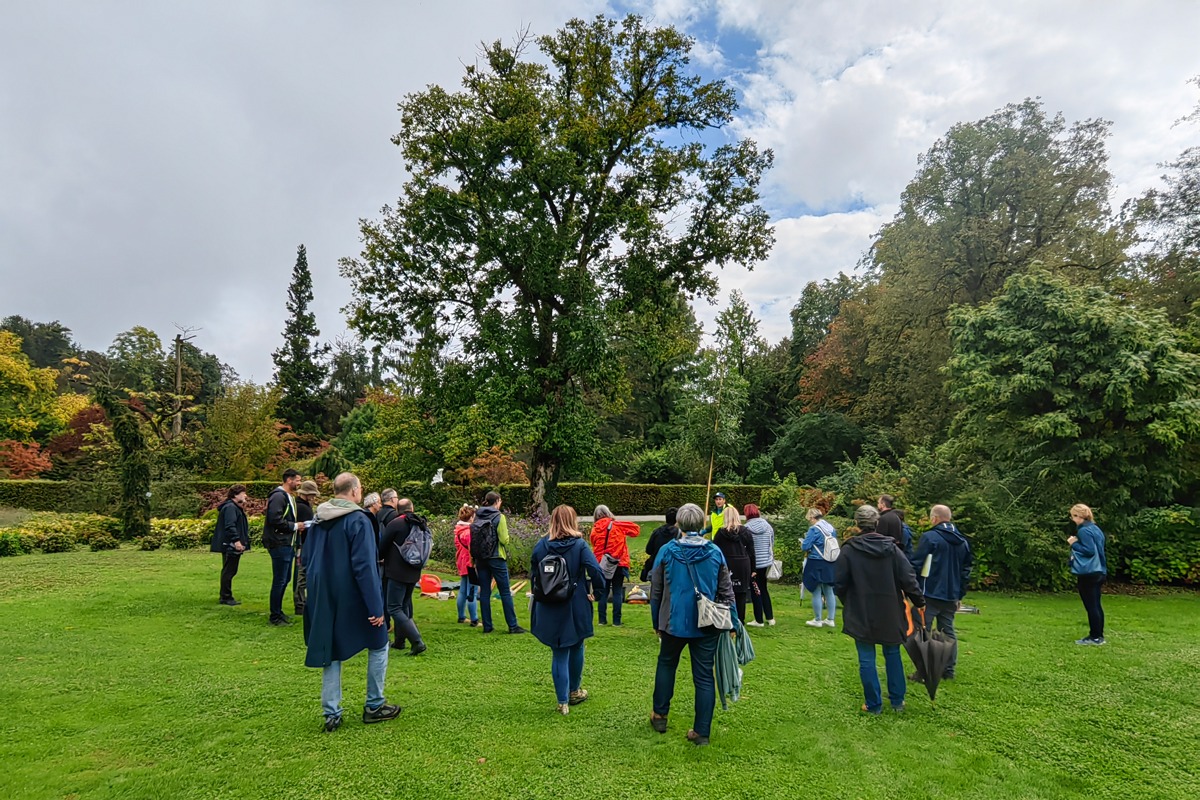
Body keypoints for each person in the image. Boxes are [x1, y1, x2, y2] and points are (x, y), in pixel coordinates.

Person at [301, 472, 401, 732]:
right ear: (355, 491)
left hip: (324, 592)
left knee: (331, 649)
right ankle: (375, 704)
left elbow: (306, 558)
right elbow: (365, 566)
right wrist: (375, 606)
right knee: (379, 644)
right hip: (353, 593)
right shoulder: (358, 519)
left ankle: (331, 712)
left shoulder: (318, 518)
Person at [649, 503, 736, 747]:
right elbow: (726, 591)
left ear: (679, 524)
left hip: (673, 621)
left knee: (666, 665)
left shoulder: (667, 551)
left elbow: (655, 591)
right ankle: (702, 732)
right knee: (704, 676)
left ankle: (660, 715)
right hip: (707, 623)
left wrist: (656, 620)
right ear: (700, 523)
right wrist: (732, 623)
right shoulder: (715, 552)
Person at [834, 504, 925, 715]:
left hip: (862, 609)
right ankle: (897, 701)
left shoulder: (851, 550)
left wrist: (849, 601)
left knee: (867, 658)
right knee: (892, 653)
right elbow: (909, 579)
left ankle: (874, 704)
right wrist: (919, 601)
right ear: (877, 523)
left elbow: (839, 583)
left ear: (856, 524)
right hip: (888, 609)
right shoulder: (891, 549)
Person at [530, 505, 606, 715]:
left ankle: (562, 701)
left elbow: (534, 575)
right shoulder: (580, 545)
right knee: (577, 644)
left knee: (559, 651)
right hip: (575, 601)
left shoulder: (541, 545)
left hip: (549, 603)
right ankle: (574, 691)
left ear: (553, 520)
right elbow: (596, 571)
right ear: (573, 521)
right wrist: (598, 593)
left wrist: (538, 596)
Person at [909, 505, 972, 679]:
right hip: (951, 594)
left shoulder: (930, 538)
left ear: (934, 518)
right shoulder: (963, 542)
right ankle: (948, 670)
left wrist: (912, 589)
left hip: (929, 593)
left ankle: (925, 671)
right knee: (948, 630)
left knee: (923, 631)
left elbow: (916, 564)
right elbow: (966, 571)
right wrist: (960, 595)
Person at [379, 498, 427, 655]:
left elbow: (383, 545)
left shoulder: (396, 524)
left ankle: (417, 640)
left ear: (397, 509)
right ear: (412, 508)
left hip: (397, 571)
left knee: (393, 607)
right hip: (414, 570)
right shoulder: (420, 522)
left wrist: (380, 557)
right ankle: (400, 641)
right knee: (404, 605)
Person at [474, 491, 526, 634]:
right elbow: (504, 540)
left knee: (485, 592)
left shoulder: (477, 515)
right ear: (497, 501)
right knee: (504, 592)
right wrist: (507, 539)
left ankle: (487, 626)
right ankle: (512, 625)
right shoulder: (499, 516)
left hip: (481, 558)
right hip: (496, 556)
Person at [264, 468, 305, 626]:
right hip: (279, 543)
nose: (299, 483)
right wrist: (294, 526)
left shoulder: (288, 497)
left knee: (285, 578)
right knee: (280, 580)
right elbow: (275, 518)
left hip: (286, 543)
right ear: (289, 480)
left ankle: (278, 612)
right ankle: (275, 616)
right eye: (298, 480)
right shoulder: (278, 496)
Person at [589, 505, 640, 626]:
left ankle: (602, 620)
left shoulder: (595, 529)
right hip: (619, 562)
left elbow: (594, 543)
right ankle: (617, 621)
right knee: (617, 591)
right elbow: (636, 530)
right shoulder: (617, 525)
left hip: (602, 563)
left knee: (604, 591)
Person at [1069, 504, 1107, 646]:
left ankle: (1095, 636)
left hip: (1089, 572)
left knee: (1091, 605)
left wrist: (1074, 543)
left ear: (1079, 516)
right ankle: (1099, 635)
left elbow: (1089, 550)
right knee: (1096, 604)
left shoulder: (1084, 531)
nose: (1072, 519)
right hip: (1100, 570)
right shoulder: (1096, 529)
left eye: (1073, 516)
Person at [713, 506, 754, 624]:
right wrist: (753, 568)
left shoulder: (720, 533)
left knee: (726, 591)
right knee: (741, 592)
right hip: (743, 563)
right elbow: (751, 551)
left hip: (727, 563)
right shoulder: (745, 532)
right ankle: (740, 619)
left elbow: (715, 551)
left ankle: (726, 617)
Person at [211, 484, 250, 606]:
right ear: (235, 495)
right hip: (230, 544)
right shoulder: (230, 508)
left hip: (229, 543)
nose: (245, 496)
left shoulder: (232, 507)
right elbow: (230, 526)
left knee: (230, 569)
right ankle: (225, 596)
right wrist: (236, 541)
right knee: (229, 570)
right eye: (243, 493)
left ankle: (226, 595)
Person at [801, 508, 838, 628]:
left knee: (816, 590)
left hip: (816, 561)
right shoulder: (830, 528)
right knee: (829, 590)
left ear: (812, 517)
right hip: (830, 560)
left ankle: (817, 619)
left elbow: (806, 546)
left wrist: (803, 543)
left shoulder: (814, 529)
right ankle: (830, 619)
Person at [743, 504, 776, 627]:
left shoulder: (746, 528)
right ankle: (770, 617)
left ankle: (758, 620)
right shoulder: (767, 526)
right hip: (766, 562)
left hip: (753, 563)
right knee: (764, 588)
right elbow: (771, 542)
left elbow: (745, 547)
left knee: (755, 590)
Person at [293, 480, 318, 616]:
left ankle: (301, 602)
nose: (313, 498)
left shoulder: (300, 505)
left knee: (302, 573)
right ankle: (300, 604)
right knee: (302, 574)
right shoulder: (303, 508)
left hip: (304, 543)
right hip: (304, 544)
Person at [454, 505, 480, 626]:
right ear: (470, 518)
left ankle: (461, 617)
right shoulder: (468, 532)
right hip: (469, 563)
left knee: (463, 590)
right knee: (472, 592)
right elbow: (473, 549)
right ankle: (474, 619)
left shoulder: (458, 529)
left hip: (461, 562)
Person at [640, 508, 680, 582]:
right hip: (673, 567)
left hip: (656, 566)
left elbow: (648, 550)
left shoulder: (657, 532)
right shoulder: (679, 534)